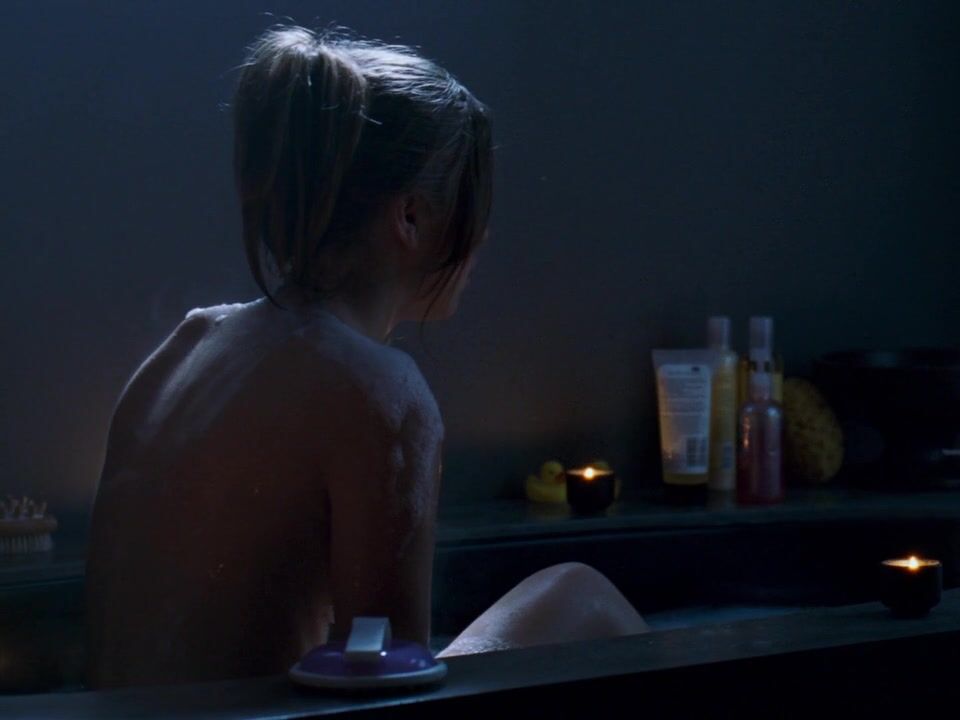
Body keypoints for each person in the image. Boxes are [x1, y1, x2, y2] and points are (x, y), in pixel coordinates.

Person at [84, 25, 648, 690]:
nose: (484, 234)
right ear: (410, 217)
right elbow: (389, 688)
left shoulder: (183, 348)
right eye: (470, 204)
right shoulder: (378, 391)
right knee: (580, 594)